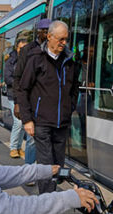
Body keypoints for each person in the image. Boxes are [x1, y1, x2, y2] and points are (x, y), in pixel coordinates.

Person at [16, 20, 79, 194]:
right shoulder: (36, 58)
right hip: (41, 122)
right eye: (60, 39)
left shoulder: (69, 61)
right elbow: (23, 89)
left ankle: (51, 193)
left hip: (62, 123)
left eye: (66, 39)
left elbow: (75, 88)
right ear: (49, 37)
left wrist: (69, 107)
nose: (64, 43)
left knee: (58, 163)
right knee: (46, 164)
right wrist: (27, 119)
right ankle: (47, 200)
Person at [12, 19, 50, 120]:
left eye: (50, 32)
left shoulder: (53, 50)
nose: (48, 35)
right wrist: (17, 102)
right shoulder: (28, 50)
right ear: (39, 32)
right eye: (46, 32)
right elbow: (18, 76)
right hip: (32, 100)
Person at [5, 38, 35, 162]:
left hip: (27, 97)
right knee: (18, 123)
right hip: (14, 96)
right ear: (16, 48)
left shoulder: (30, 60)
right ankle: (13, 147)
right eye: (20, 48)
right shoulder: (10, 62)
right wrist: (23, 83)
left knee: (24, 124)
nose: (23, 51)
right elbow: (8, 78)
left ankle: (18, 147)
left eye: (25, 48)